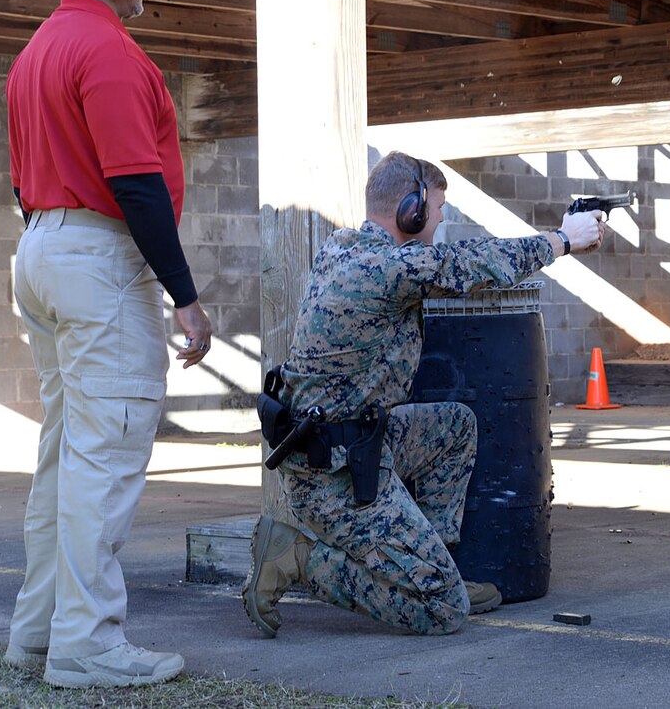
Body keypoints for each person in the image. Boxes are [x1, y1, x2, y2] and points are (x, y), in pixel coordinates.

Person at [243, 150, 604, 638]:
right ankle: (297, 559)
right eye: (434, 208)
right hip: (335, 479)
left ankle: (436, 571)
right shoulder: (388, 269)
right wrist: (563, 240)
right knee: (444, 613)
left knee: (453, 426)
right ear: (408, 210)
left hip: (352, 444)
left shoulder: (343, 247)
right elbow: (472, 264)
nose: (438, 218)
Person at [3, 0, 212, 688]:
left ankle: (39, 633)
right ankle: (87, 644)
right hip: (97, 254)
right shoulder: (109, 52)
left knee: (64, 457)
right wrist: (183, 295)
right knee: (106, 456)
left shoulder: (36, 52)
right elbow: (136, 183)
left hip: (42, 245)